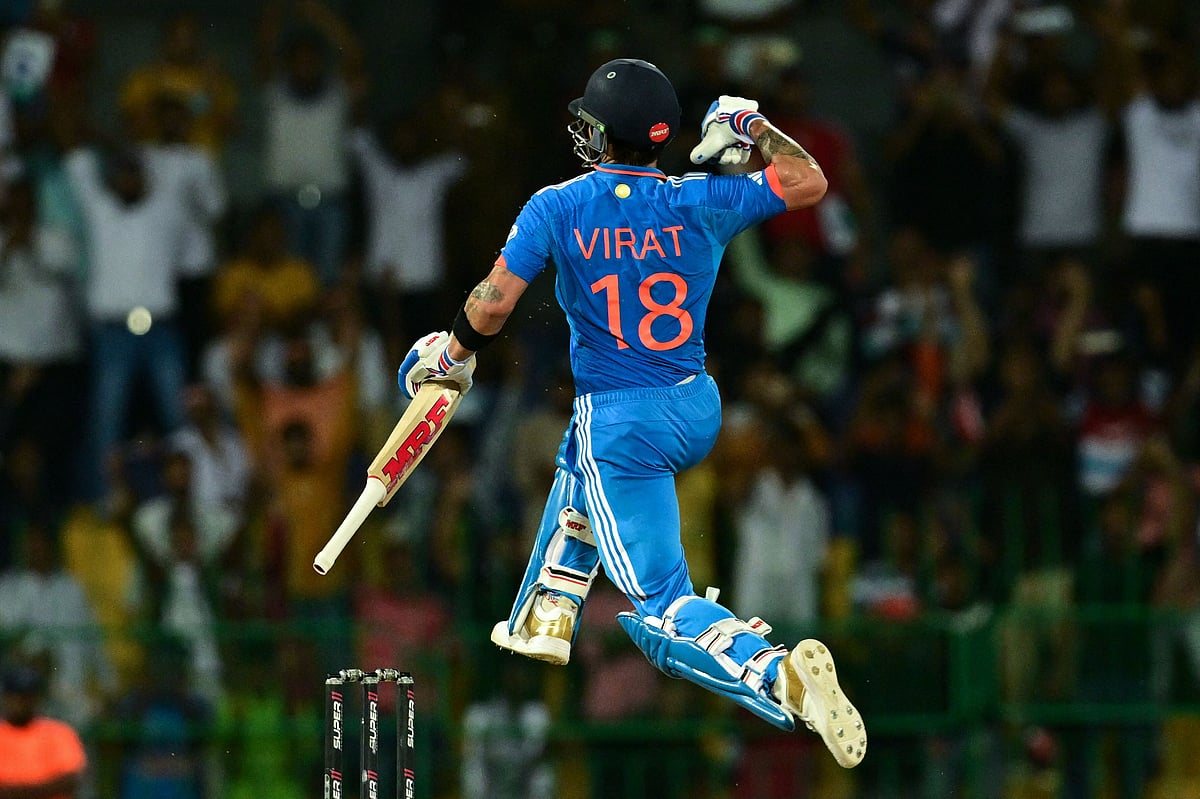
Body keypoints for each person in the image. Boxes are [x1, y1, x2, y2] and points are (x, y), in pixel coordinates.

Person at [398, 58, 866, 768]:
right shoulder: (701, 197)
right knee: (575, 457)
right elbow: (809, 181)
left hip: (624, 424)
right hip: (695, 403)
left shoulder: (558, 204)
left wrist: (453, 353)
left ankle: (777, 673)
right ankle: (548, 611)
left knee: (657, 607)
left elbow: (493, 303)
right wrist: (748, 122)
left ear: (606, 134)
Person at [0, 663, 88, 799]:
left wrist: (19, 792)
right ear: (6, 697)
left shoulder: (58, 732)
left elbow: (72, 778)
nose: (20, 702)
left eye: (26, 697)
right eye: (16, 696)